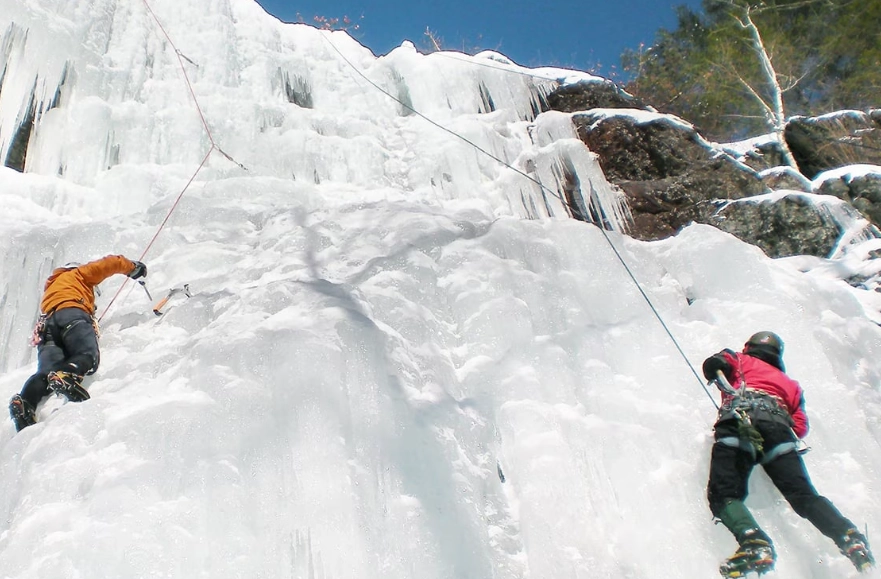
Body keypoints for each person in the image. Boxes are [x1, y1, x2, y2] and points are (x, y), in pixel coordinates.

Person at [702, 331, 875, 576]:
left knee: (723, 493)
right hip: (779, 433)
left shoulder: (740, 359)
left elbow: (716, 363)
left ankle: (754, 543)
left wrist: (716, 369)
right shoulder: (791, 385)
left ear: (750, 347)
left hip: (740, 423)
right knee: (803, 496)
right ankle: (848, 536)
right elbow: (800, 427)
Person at [8, 255, 147, 432]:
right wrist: (133, 267)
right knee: (88, 354)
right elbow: (109, 263)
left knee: (45, 372)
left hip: (47, 326)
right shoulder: (79, 274)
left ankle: (26, 401)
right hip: (72, 314)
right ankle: (68, 375)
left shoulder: (51, 289)